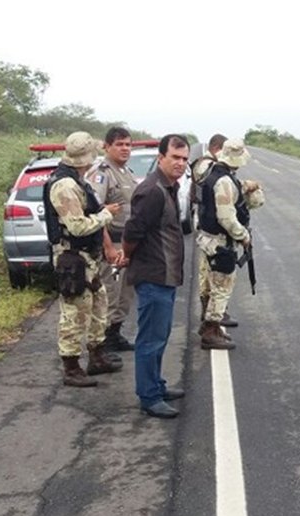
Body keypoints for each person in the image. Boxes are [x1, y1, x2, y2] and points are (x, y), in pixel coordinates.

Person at [44, 131, 124, 387]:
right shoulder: (64, 185)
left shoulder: (77, 180)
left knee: (98, 306)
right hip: (73, 258)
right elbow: (77, 226)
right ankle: (71, 367)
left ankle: (97, 356)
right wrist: (106, 215)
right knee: (73, 313)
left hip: (88, 258)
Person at [122, 134, 189, 418]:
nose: (180, 163)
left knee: (160, 336)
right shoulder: (152, 191)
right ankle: (149, 396)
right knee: (150, 339)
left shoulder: (169, 187)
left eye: (185, 159)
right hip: (153, 275)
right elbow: (132, 232)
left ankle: (157, 385)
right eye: (175, 157)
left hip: (166, 275)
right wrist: (127, 254)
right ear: (161, 157)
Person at [194, 139, 265, 350]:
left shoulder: (212, 173)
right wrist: (243, 235)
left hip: (209, 237)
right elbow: (226, 217)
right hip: (219, 241)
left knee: (212, 284)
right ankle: (210, 328)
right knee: (222, 286)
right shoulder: (223, 180)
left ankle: (211, 327)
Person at [89, 127, 139, 355]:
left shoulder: (125, 171)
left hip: (127, 244)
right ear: (107, 146)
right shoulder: (102, 173)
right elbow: (95, 212)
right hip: (112, 242)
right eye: (119, 144)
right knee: (110, 294)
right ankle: (101, 343)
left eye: (128, 144)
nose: (125, 148)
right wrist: (107, 246)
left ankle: (115, 334)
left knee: (124, 294)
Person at [190, 134, 232, 327]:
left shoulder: (209, 165)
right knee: (209, 273)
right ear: (217, 148)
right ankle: (210, 314)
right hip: (209, 227)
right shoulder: (206, 165)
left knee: (209, 272)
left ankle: (214, 311)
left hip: (208, 223)